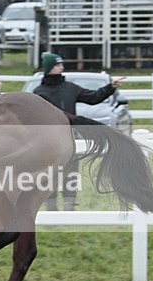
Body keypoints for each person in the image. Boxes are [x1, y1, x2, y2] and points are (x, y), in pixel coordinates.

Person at [33, 53, 123, 211]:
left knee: (70, 174)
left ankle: (69, 210)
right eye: (57, 65)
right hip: (46, 143)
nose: (62, 67)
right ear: (49, 68)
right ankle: (51, 210)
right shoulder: (38, 92)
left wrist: (111, 87)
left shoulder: (70, 88)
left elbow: (93, 97)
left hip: (70, 139)